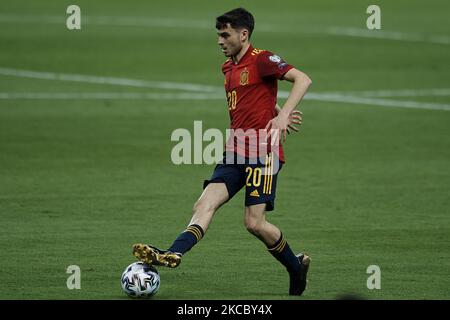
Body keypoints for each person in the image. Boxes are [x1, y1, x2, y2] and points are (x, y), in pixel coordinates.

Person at [133, 7, 312, 296]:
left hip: (263, 153)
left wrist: (281, 117)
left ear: (244, 34)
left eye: (225, 35)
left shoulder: (263, 59)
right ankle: (173, 253)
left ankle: (295, 266)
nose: (220, 41)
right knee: (203, 204)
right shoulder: (228, 67)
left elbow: (303, 79)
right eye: (218, 35)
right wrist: (275, 109)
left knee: (254, 224)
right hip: (235, 149)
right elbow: (252, 98)